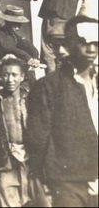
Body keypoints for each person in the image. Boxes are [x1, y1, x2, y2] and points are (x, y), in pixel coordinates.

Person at [27, 15, 98, 207]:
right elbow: (37, 137)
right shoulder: (50, 86)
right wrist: (37, 177)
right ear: (72, 43)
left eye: (96, 43)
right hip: (68, 182)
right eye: (84, 42)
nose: (91, 49)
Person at [0, 55, 31, 207]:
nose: (10, 79)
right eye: (5, 75)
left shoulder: (31, 99)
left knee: (32, 200)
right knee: (9, 201)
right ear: (1, 77)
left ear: (22, 77)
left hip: (30, 158)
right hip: (5, 158)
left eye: (14, 75)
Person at [32, 0, 88, 73]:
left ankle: (52, 83)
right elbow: (87, 1)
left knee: (48, 53)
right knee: (62, 56)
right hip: (67, 26)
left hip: (51, 20)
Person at [0, 5, 40, 90]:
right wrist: (28, 58)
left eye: (19, 24)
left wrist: (35, 58)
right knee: (10, 57)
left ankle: (33, 90)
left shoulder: (14, 35)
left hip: (5, 74)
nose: (18, 27)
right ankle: (1, 87)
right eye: (15, 24)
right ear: (7, 22)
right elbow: (9, 49)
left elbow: (28, 46)